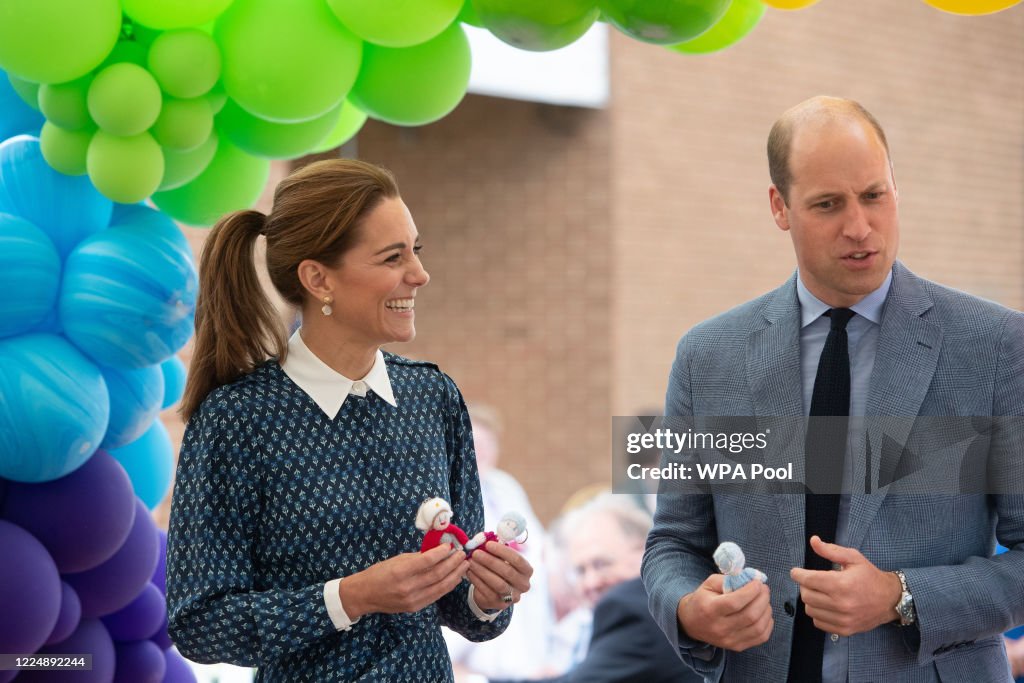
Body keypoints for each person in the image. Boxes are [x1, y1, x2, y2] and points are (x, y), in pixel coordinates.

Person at [642, 96, 1024, 682]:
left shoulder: (996, 346)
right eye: (827, 204)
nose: (859, 227)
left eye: (875, 195)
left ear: (898, 185)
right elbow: (672, 544)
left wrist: (902, 595)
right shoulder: (706, 357)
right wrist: (691, 610)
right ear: (780, 207)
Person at [165, 159, 533, 682]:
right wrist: (350, 597)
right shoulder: (238, 420)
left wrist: (489, 596)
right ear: (318, 279)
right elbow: (199, 623)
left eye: (416, 251)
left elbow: (461, 607)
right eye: (392, 257)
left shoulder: (433, 397)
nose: (419, 274)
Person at [486, 494, 700, 683]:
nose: (591, 583)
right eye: (580, 571)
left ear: (644, 553)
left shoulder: (637, 607)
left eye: (601, 564)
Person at [445, 404, 552, 680]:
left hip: (520, 588)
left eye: (488, 444)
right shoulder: (450, 490)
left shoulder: (505, 484)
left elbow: (535, 539)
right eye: (475, 444)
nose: (482, 452)